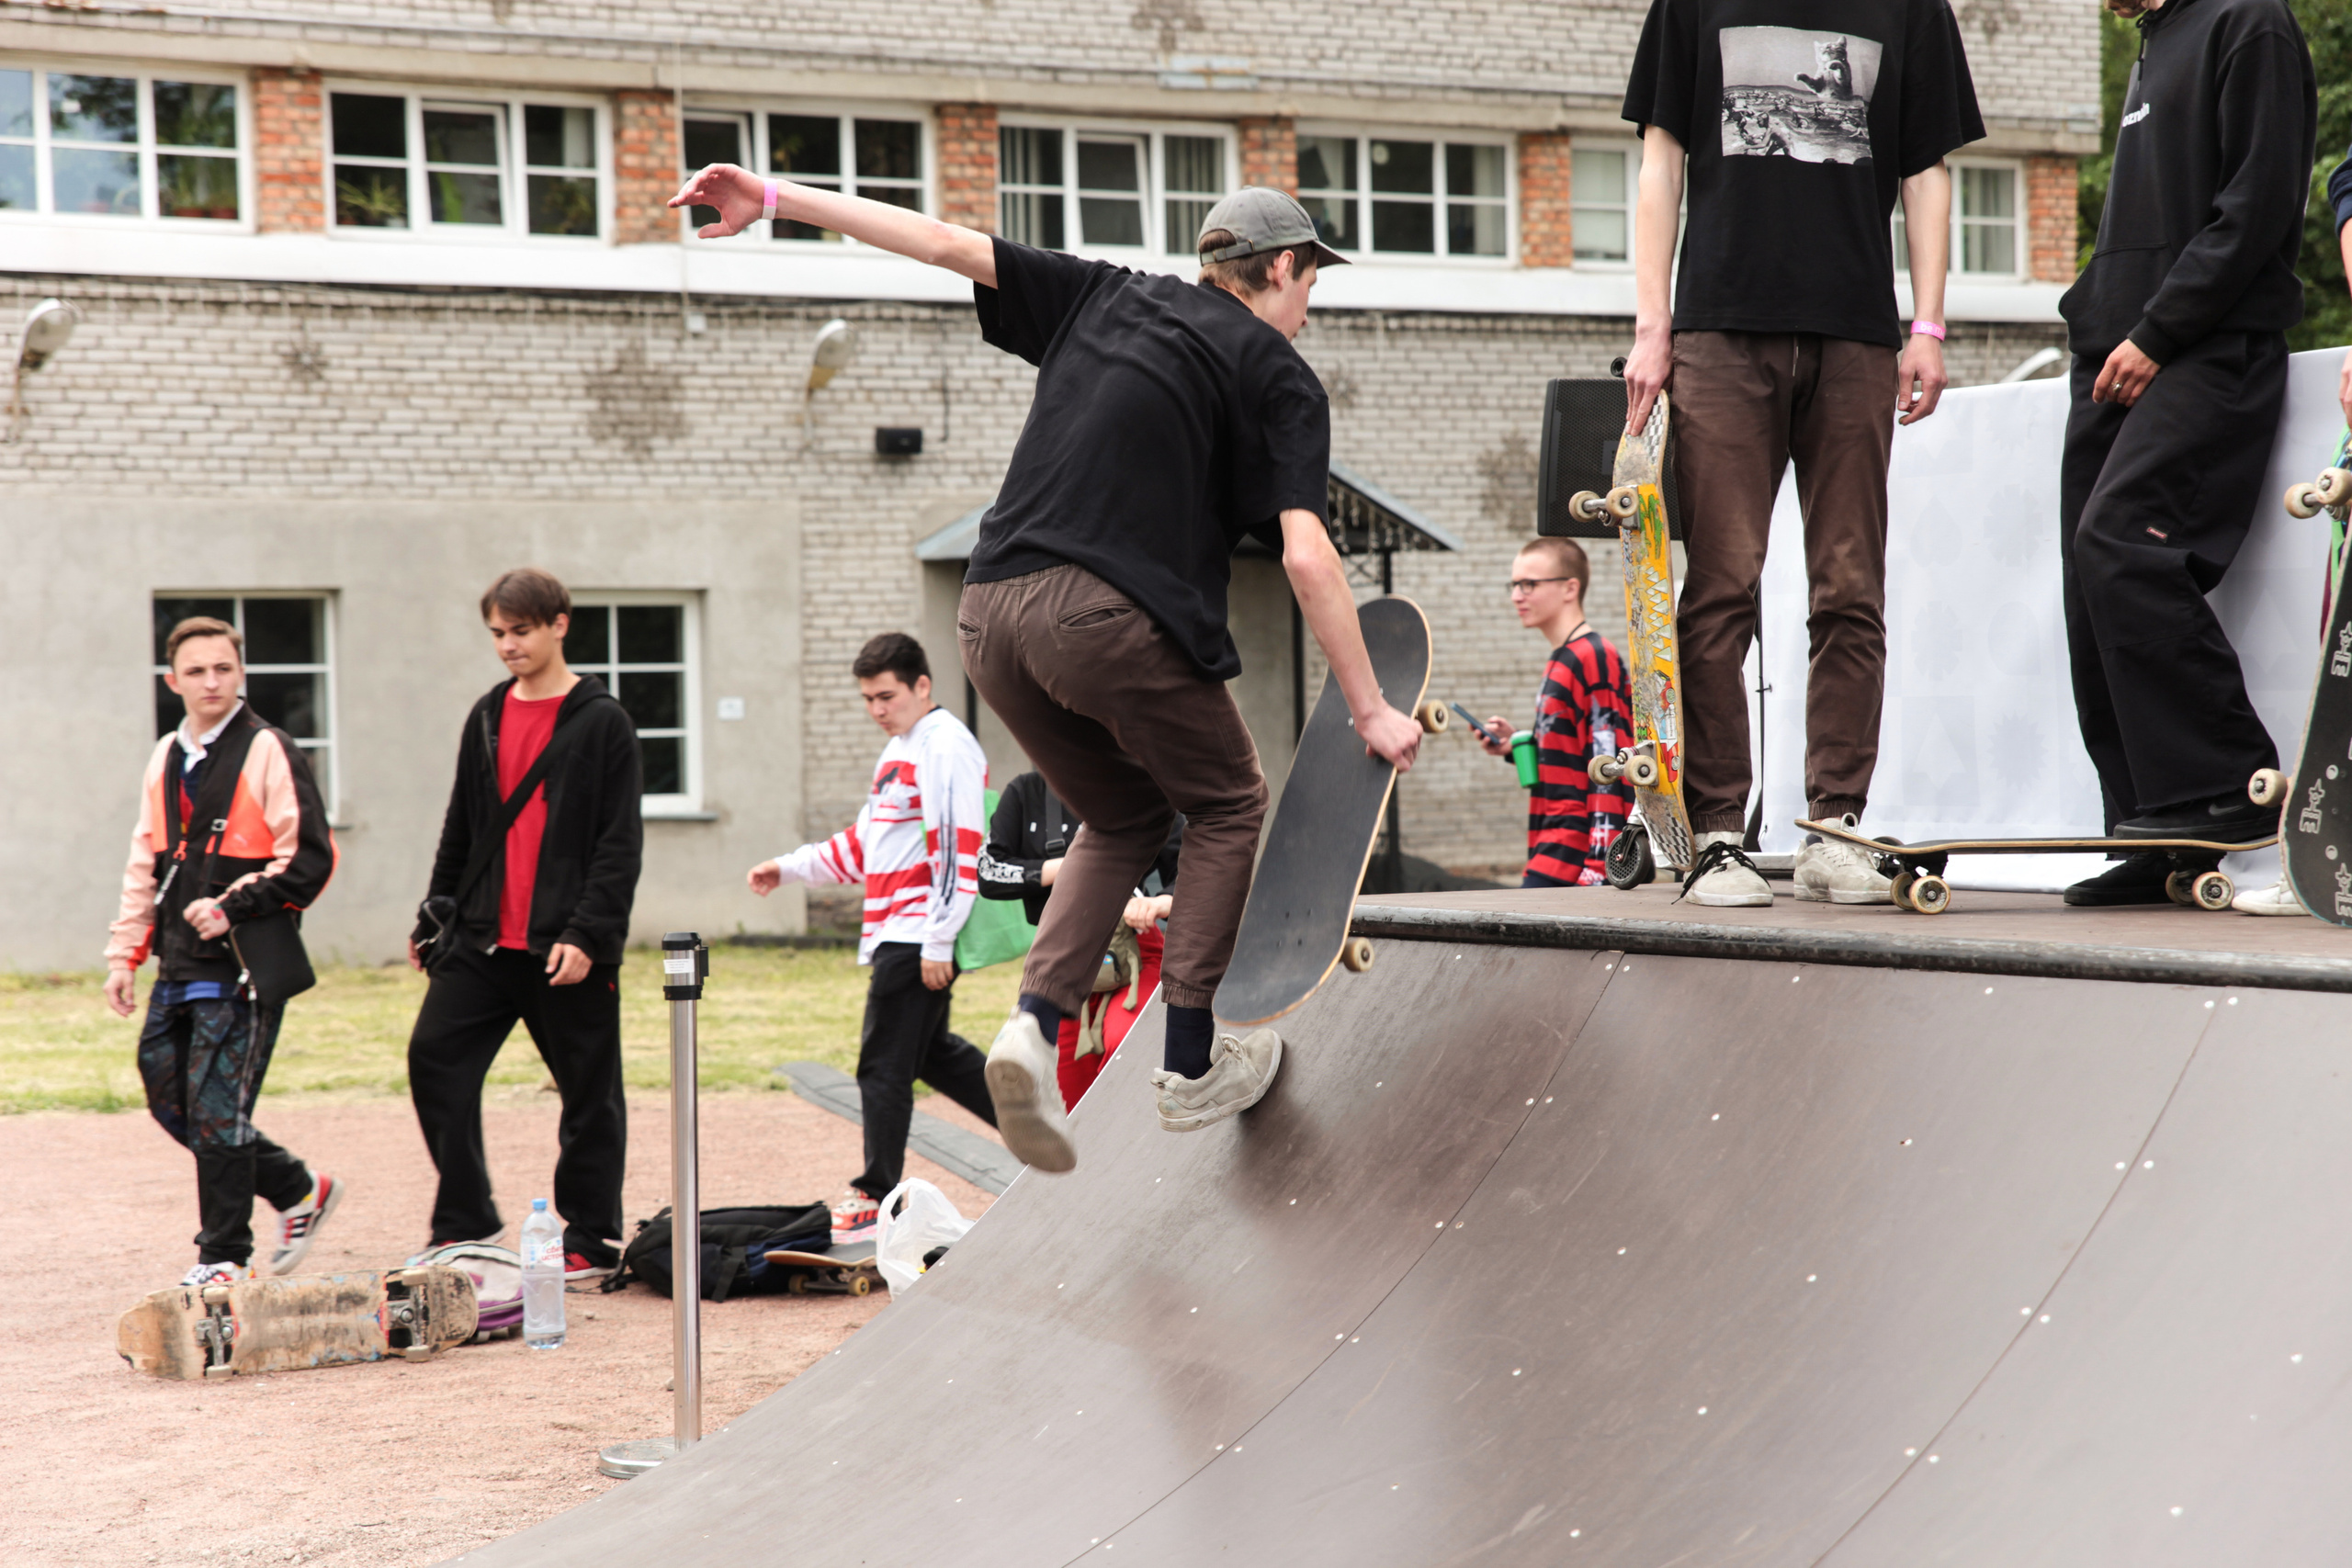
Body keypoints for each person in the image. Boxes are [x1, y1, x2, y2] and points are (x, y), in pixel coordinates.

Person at [668, 168, 1423, 1174]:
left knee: (1121, 817)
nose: (1307, 310)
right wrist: (1368, 708)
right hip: (1104, 619)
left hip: (989, 617)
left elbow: (942, 243)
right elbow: (1304, 555)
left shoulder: (1104, 290)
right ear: (1280, 267)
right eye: (1308, 288)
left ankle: (1030, 1023)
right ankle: (1191, 1061)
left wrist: (772, 199)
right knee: (1230, 802)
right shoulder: (1280, 375)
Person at [1620, 0, 1982, 906]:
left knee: (1850, 588)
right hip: (1720, 330)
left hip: (1856, 335)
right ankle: (1713, 835)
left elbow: (1925, 171)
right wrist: (1650, 324)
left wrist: (1928, 324)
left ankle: (1833, 828)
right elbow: (1660, 161)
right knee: (1720, 585)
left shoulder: (1909, 9)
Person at [2055, 0, 2313, 908]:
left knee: (2123, 543)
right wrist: (2095, 314)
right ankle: (2153, 827)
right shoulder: (2152, 41)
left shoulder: (2250, 23)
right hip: (2116, 354)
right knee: (2086, 584)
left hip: (2206, 348)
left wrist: (2158, 331)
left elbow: (2255, 207)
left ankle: (2229, 786)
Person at [405, 570, 642, 1280]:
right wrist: (433, 913)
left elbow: (617, 841)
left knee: (589, 1093)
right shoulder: (486, 713)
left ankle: (589, 1235)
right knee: (434, 1058)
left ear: (559, 624)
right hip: (481, 939)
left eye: (522, 631)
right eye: (498, 634)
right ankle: (465, 1220)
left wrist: (587, 933)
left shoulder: (604, 721)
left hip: (564, 945)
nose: (508, 645)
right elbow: (463, 825)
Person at [105, 615, 340, 1287]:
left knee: (214, 1110)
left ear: (241, 674)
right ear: (172, 680)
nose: (212, 681)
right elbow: (143, 862)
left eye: (225, 668)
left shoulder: (270, 747)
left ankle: (223, 1257)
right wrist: (126, 952)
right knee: (170, 1097)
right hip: (175, 962)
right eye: (198, 670)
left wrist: (235, 903)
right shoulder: (165, 755)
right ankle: (300, 1187)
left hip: (242, 964)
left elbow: (313, 860)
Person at [748, 633, 997, 1230]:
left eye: (887, 696)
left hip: (916, 936)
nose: (877, 709)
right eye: (868, 698)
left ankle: (874, 1192)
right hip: (899, 932)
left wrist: (939, 940)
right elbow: (864, 847)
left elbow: (960, 845)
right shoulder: (899, 750)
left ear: (922, 686)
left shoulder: (944, 746)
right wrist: (790, 867)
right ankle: (1052, 1128)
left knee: (882, 1063)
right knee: (933, 1055)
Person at [978, 772, 1182, 1105]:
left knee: (1126, 1048)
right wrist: (1075, 867)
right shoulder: (1026, 790)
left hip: (1133, 953)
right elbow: (990, 872)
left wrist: (1161, 901)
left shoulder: (1141, 784)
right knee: (1059, 1084)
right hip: (1059, 960)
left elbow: (1191, 862)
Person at [1476, 537, 1634, 886]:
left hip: (1577, 854)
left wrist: (1601, 868)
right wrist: (1515, 746)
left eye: (1529, 584)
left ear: (1569, 588)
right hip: (1552, 842)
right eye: (1514, 585)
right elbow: (1574, 752)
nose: (1517, 595)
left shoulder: (1593, 656)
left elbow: (1610, 763)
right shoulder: (1563, 657)